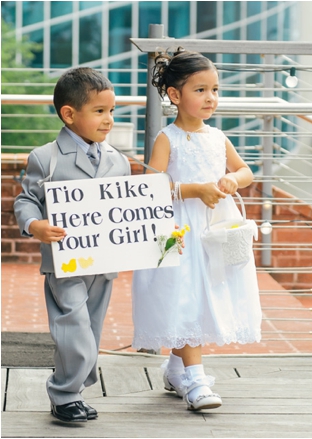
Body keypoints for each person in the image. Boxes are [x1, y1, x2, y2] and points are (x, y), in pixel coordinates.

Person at [131, 48, 262, 411]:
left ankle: (177, 369)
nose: (211, 98)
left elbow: (246, 171)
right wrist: (193, 189)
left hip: (214, 227)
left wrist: (232, 179)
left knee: (201, 295)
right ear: (175, 95)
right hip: (176, 227)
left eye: (215, 90)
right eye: (200, 90)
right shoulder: (167, 139)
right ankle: (196, 380)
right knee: (183, 293)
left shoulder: (218, 137)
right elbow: (152, 186)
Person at [14, 67, 131, 422]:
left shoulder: (119, 161)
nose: (109, 119)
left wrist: (159, 233)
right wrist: (35, 224)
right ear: (69, 114)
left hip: (104, 263)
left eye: (112, 111)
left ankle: (74, 388)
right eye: (99, 111)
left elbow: (128, 209)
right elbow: (26, 200)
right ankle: (64, 394)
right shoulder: (45, 157)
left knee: (91, 329)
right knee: (73, 326)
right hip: (65, 263)